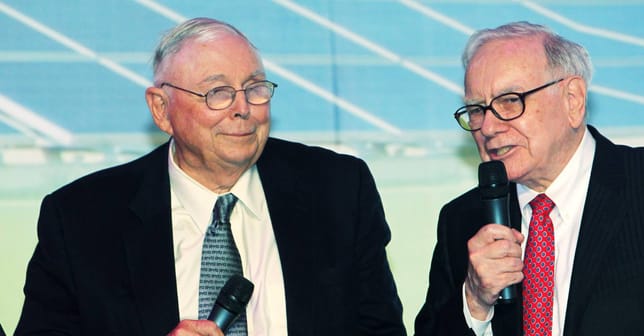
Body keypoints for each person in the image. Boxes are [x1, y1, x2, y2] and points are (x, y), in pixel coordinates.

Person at [16, 17, 406, 336]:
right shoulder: (81, 219)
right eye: (218, 92)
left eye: (255, 89)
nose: (243, 109)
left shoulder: (338, 190)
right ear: (161, 109)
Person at [415, 21, 644, 336]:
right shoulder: (463, 220)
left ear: (572, 100)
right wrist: (474, 302)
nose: (488, 127)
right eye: (477, 109)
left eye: (509, 101)